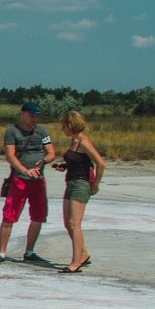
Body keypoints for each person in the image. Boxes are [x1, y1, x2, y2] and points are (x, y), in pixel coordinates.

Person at [0, 101, 56, 264]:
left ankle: (29, 251)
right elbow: (10, 155)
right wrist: (24, 170)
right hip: (19, 180)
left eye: (36, 116)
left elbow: (51, 152)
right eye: (31, 115)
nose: (34, 119)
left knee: (38, 215)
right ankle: (2, 252)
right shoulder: (12, 132)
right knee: (9, 215)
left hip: (38, 181)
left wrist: (43, 161)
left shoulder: (42, 131)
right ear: (22, 114)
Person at [53, 110, 106, 273]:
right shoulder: (74, 142)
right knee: (68, 223)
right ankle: (83, 254)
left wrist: (95, 184)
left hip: (81, 184)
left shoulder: (83, 141)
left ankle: (76, 262)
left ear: (71, 125)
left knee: (74, 224)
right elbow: (78, 161)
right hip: (71, 182)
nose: (62, 128)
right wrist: (65, 166)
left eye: (64, 125)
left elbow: (101, 163)